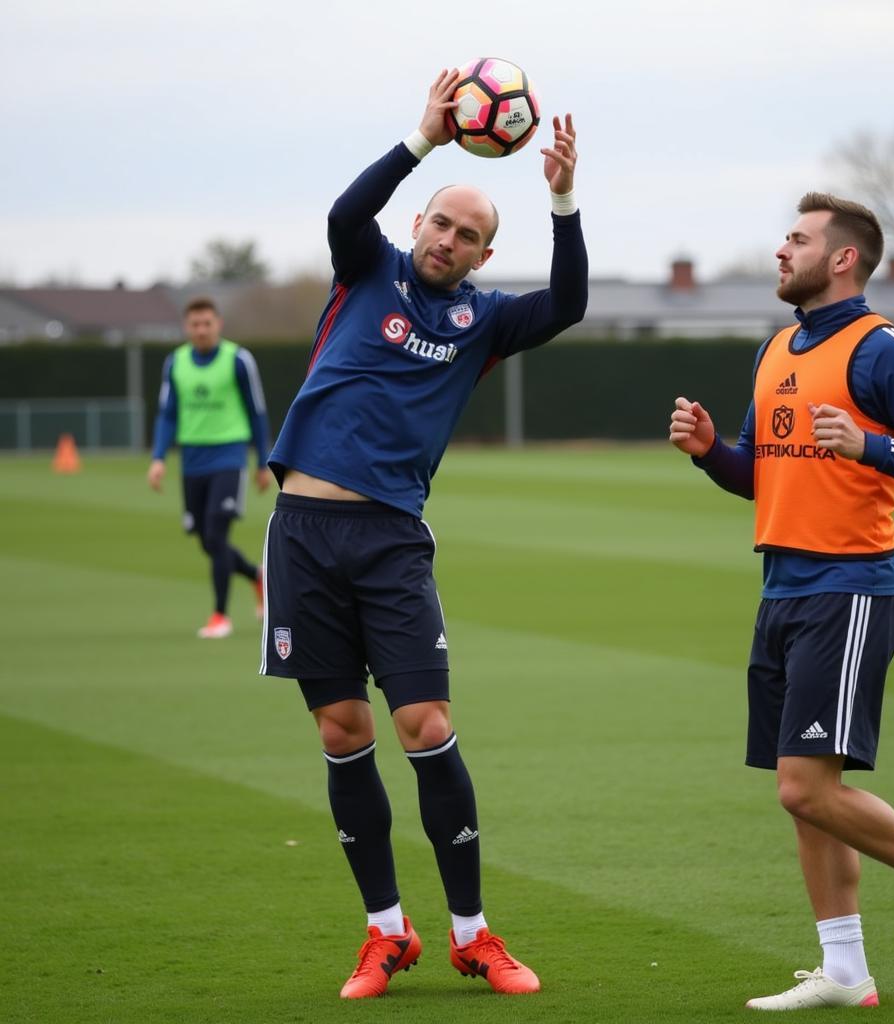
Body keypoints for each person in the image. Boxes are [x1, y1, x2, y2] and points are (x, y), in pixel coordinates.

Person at [258, 69, 587, 1000]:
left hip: (392, 540)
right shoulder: (364, 268)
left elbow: (566, 304)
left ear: (485, 255)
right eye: (441, 223)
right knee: (340, 728)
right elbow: (344, 208)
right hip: (303, 534)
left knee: (425, 724)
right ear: (419, 225)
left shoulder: (483, 321)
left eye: (469, 235)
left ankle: (473, 936)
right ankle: (385, 933)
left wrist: (561, 200)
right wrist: (424, 140)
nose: (449, 241)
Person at [669, 193, 894, 1010]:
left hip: (849, 590)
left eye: (798, 239)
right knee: (805, 797)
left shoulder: (883, 347)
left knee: (805, 787)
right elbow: (762, 471)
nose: (783, 250)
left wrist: (871, 444)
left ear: (843, 257)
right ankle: (846, 973)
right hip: (781, 589)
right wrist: (714, 453)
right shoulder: (777, 346)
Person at [148, 296, 272, 638]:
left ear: (218, 324)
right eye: (195, 324)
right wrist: (158, 458)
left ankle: (220, 616)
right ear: (187, 328)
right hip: (192, 461)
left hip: (230, 456)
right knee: (207, 541)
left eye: (207, 323)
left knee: (217, 534)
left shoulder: (238, 360)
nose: (201, 330)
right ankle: (257, 576)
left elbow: (257, 411)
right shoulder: (176, 363)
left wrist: (263, 460)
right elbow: (168, 413)